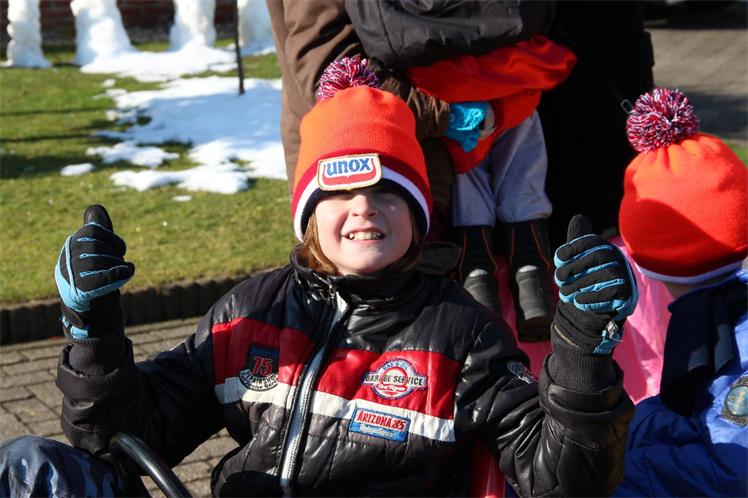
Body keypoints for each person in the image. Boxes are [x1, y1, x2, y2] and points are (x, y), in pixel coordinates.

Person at [1, 60, 637, 497]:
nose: (364, 209)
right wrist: (93, 328)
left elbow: (564, 480)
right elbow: (120, 438)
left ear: (419, 215)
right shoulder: (250, 309)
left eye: (387, 192)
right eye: (339, 193)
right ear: (308, 213)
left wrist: (581, 354)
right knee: (32, 468)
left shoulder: (464, 334)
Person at [344, 1, 573, 341]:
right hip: (512, 62)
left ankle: (478, 284)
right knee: (522, 163)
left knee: (468, 176)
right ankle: (532, 279)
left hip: (437, 74)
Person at [610, 88, 748, 497]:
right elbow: (695, 409)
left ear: (642, 257)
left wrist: (611, 474)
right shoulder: (711, 319)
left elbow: (733, 469)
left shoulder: (729, 335)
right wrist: (633, 427)